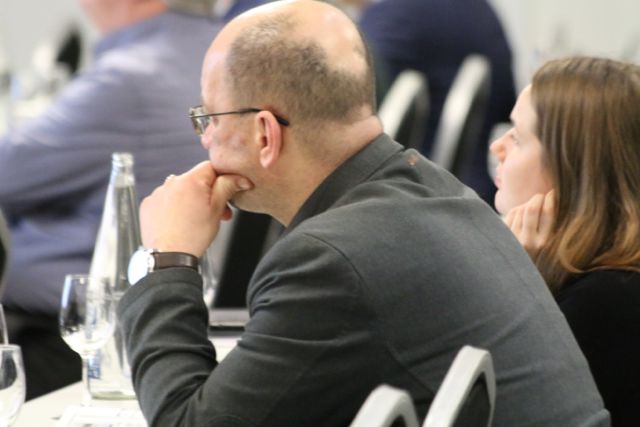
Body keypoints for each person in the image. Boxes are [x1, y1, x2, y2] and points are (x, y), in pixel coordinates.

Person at [119, 2, 609, 425]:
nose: (205, 138)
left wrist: (168, 259)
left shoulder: (329, 259)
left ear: (265, 133)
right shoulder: (435, 189)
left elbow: (187, 421)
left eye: (209, 118)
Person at [0, 0, 228, 400]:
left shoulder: (128, 79)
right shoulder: (215, 53)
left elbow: (8, 172)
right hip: (160, 316)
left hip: (74, 338)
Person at [490, 56, 640, 426]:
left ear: (571, 170)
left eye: (517, 137)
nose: (497, 147)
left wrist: (520, 285)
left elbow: (498, 409)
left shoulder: (604, 304)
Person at [357, 0, 516, 203]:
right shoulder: (482, 11)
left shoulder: (390, 18)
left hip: (417, 197)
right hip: (486, 192)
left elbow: (355, 113)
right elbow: (508, 107)